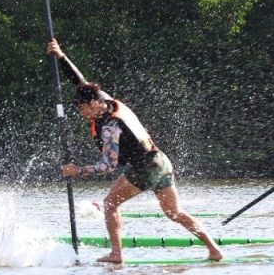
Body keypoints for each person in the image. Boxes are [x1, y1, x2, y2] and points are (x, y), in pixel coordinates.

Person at [47, 39, 223, 262]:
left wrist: (77, 170)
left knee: (110, 203)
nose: (82, 114)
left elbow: (107, 166)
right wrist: (61, 57)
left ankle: (116, 254)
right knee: (174, 213)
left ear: (93, 104)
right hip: (161, 161)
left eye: (82, 109)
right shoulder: (107, 101)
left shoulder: (110, 126)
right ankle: (214, 249)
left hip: (145, 167)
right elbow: (80, 82)